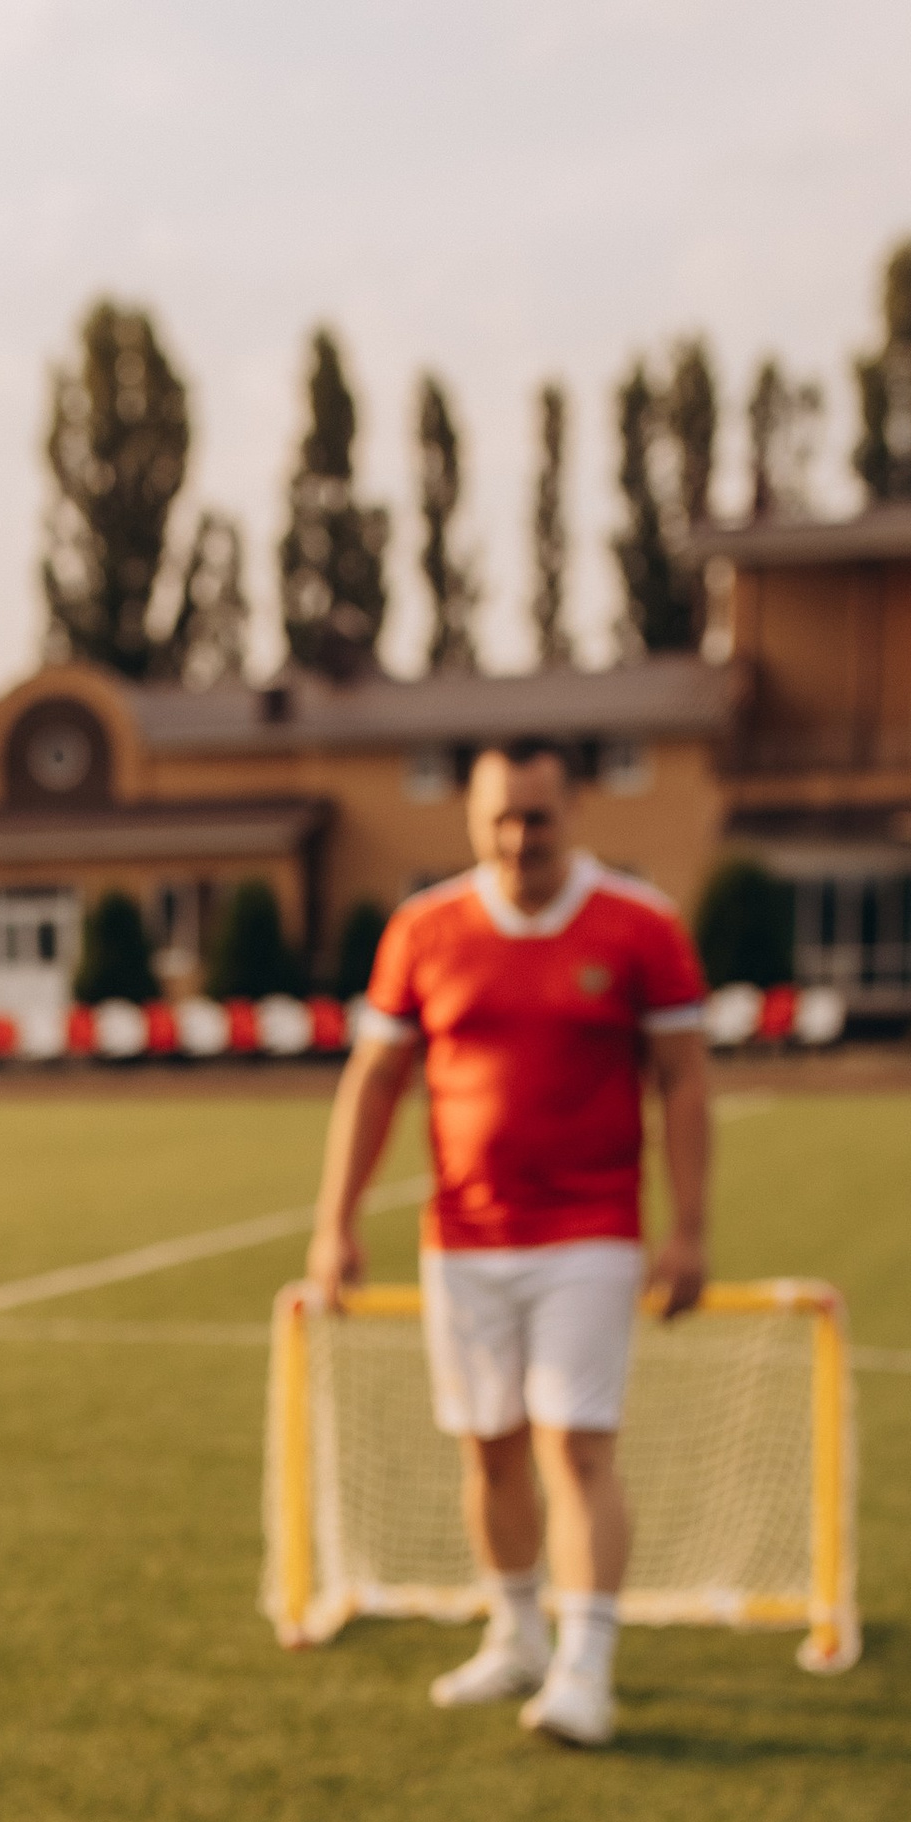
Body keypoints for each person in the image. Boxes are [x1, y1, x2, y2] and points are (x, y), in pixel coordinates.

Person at [305, 740, 712, 1749]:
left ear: (572, 812)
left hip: (589, 1230)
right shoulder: (423, 927)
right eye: (498, 817)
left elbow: (686, 1079)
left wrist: (688, 1227)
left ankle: (587, 1664)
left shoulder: (640, 927)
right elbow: (377, 1080)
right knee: (487, 1448)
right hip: (463, 1236)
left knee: (573, 1446)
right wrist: (334, 1220)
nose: (516, 838)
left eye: (535, 817)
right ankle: (517, 1631)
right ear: (473, 817)